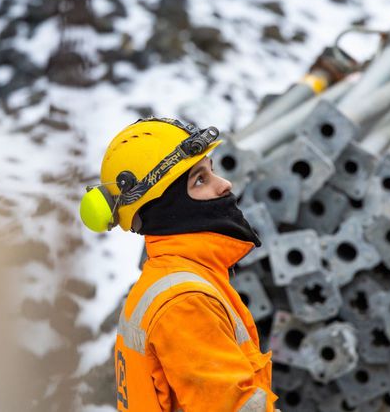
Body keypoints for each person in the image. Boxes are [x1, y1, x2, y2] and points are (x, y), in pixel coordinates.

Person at [79, 117, 279, 412]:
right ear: (165, 208)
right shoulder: (184, 303)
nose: (225, 184)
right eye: (199, 180)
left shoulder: (169, 283)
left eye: (211, 172)